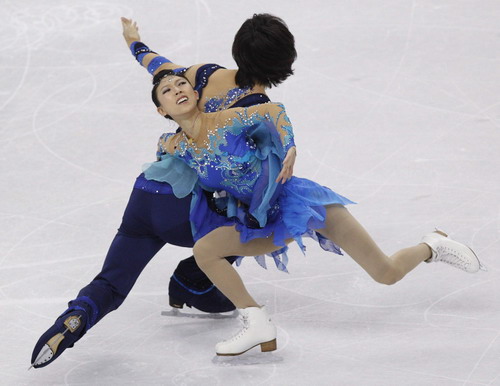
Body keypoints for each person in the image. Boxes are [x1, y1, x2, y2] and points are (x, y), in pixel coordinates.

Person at [143, 70, 483, 356]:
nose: (178, 90)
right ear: (162, 109)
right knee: (206, 250)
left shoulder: (225, 120)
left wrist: (289, 147)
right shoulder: (174, 146)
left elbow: (273, 112)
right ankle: (257, 321)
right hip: (259, 220)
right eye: (167, 91)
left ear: (194, 90)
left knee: (386, 273)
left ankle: (432, 245)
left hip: (298, 203)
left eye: (181, 84)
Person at [30, 14, 297, 369]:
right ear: (282, 63)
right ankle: (194, 282)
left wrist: (133, 41)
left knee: (111, 280)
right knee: (250, 216)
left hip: (145, 195)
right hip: (186, 210)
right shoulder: (254, 107)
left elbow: (158, 67)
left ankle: (78, 315)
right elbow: (258, 173)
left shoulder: (202, 74)